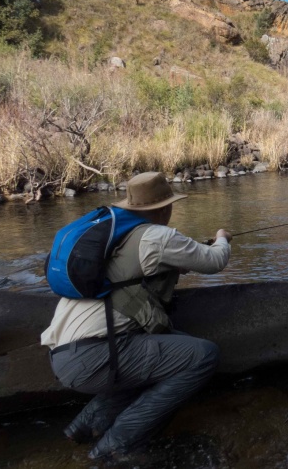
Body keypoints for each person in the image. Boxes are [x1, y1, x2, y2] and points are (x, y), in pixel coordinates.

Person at [40, 171, 232, 461]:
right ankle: (118, 445)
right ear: (165, 207)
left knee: (169, 350)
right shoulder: (157, 236)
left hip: (61, 355)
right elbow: (215, 260)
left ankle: (87, 426)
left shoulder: (114, 237)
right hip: (96, 357)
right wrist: (221, 238)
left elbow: (125, 278)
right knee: (203, 356)